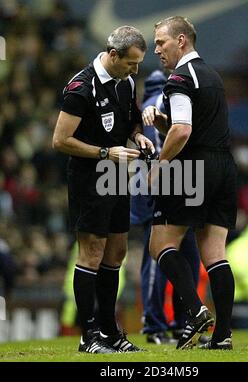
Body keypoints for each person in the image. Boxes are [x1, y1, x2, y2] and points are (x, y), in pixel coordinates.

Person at [53, 26, 154, 353]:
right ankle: (88, 336)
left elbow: (131, 120)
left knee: (117, 253)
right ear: (113, 55)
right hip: (89, 180)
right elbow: (60, 140)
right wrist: (104, 152)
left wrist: (138, 136)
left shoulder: (125, 82)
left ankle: (110, 332)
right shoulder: (81, 87)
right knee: (92, 253)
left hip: (117, 177)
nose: (135, 70)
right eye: (131, 63)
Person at [142, 16, 237, 350]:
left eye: (161, 43)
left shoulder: (179, 78)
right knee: (215, 254)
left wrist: (160, 165)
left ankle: (196, 311)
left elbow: (183, 131)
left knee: (160, 244)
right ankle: (223, 335)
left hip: (193, 169)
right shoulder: (212, 75)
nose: (156, 50)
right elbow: (191, 126)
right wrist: (166, 122)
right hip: (223, 167)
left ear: (181, 41)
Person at [130, 70, 200, 344]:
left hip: (161, 187)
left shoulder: (147, 106)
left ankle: (176, 323)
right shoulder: (160, 103)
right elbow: (165, 148)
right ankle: (157, 325)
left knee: (169, 257)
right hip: (165, 187)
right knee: (163, 257)